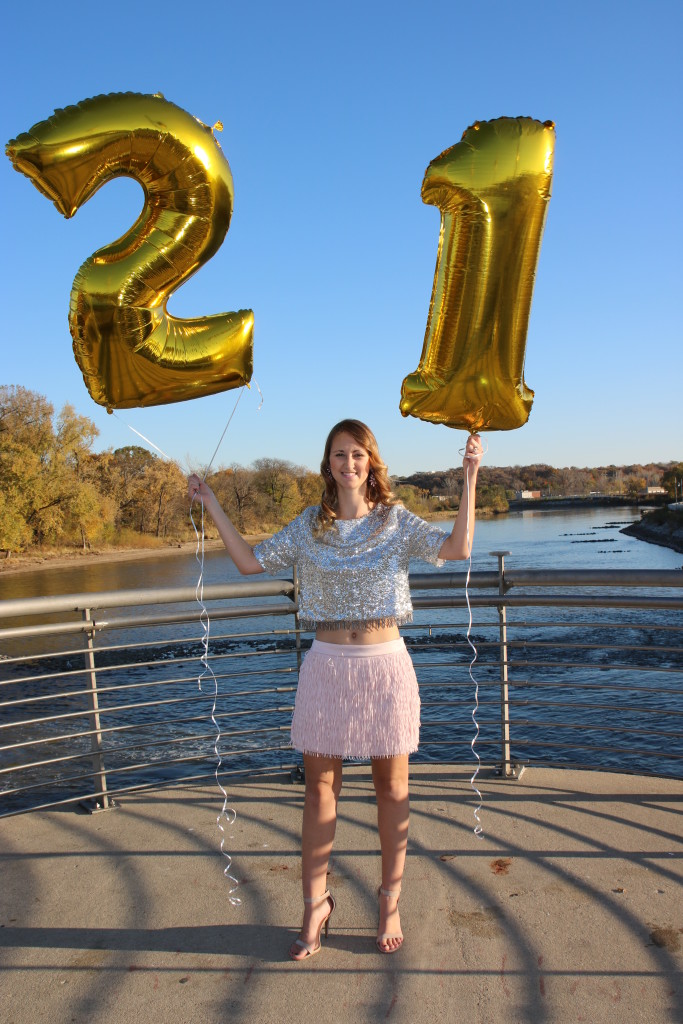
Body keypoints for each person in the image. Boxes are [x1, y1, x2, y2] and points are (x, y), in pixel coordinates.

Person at [187, 419, 482, 960]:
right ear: (328, 464)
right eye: (339, 454)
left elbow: (458, 548)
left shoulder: (394, 521)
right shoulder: (308, 527)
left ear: (371, 462)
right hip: (326, 668)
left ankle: (390, 899)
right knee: (319, 791)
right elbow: (250, 562)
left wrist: (469, 475)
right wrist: (210, 503)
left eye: (358, 454)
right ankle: (314, 904)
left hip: (385, 666)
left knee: (393, 790)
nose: (348, 463)